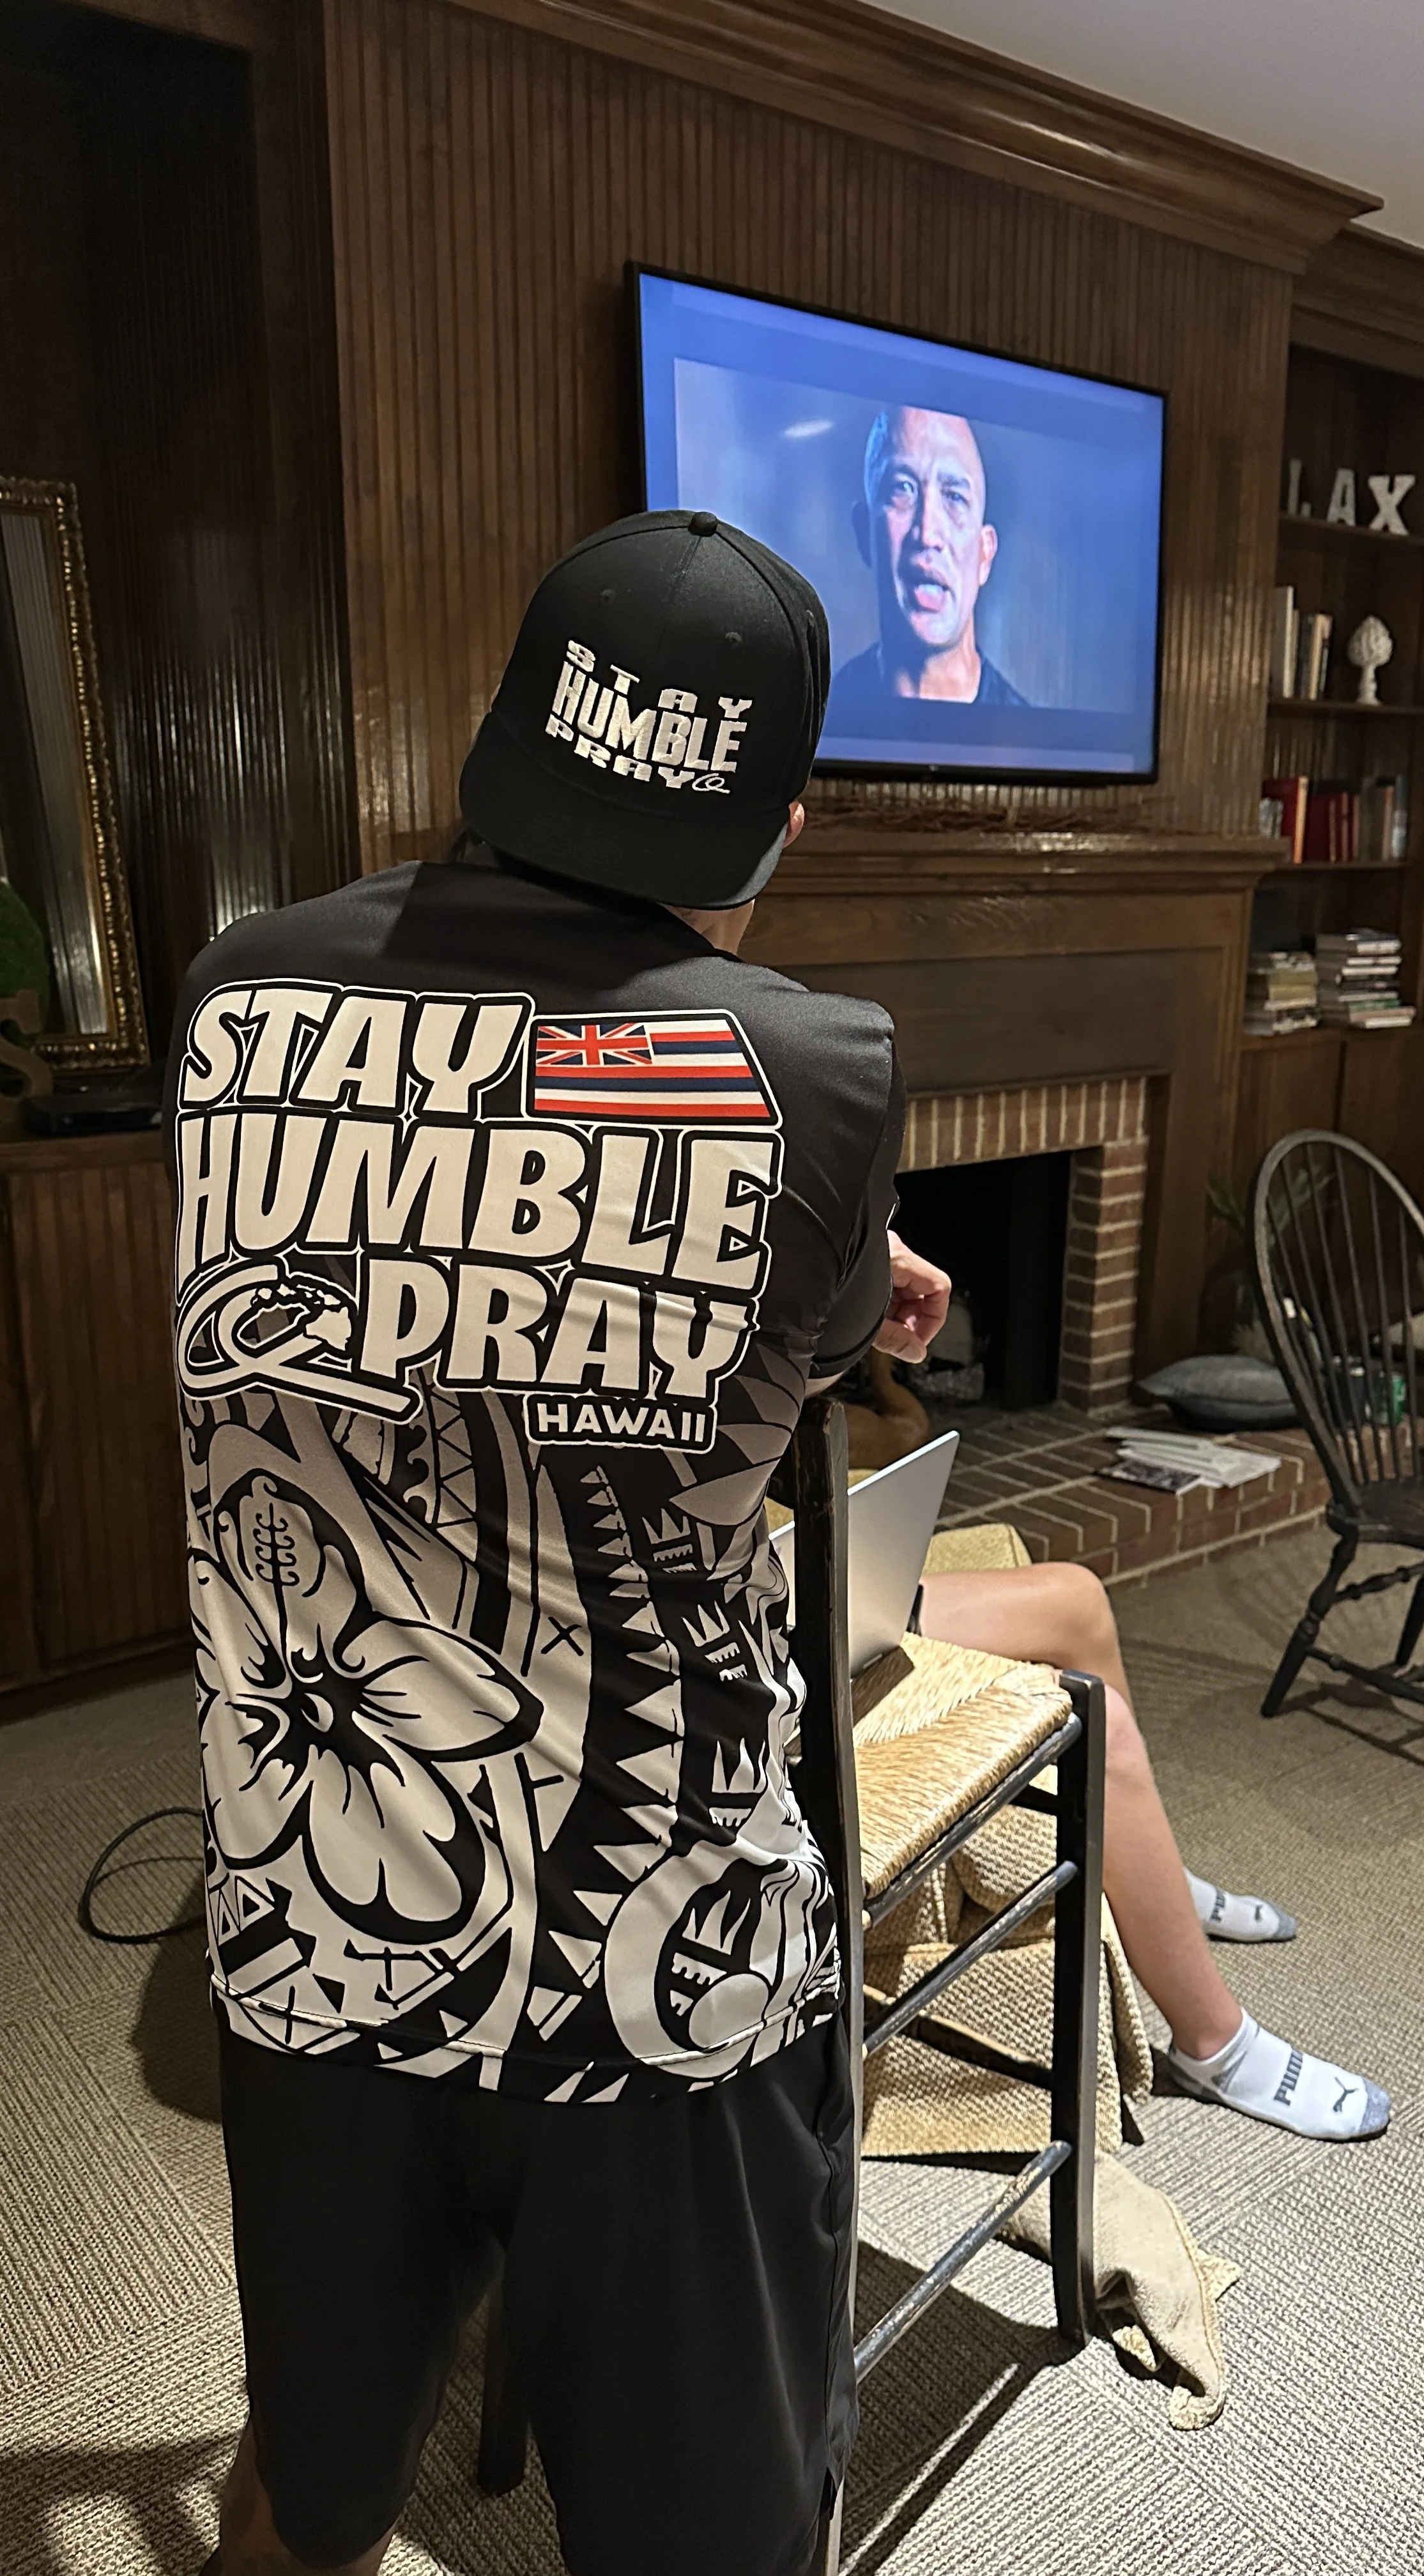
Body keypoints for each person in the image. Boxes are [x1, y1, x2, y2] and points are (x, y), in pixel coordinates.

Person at [166, 506, 951, 2576]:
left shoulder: (232, 994)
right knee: (706, 2531)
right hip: (654, 1962)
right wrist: (844, 1279)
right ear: (773, 813)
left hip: (314, 1912)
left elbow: (393, 1305)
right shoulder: (814, 1069)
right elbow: (729, 1406)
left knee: (309, 2489)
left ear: (510, 727)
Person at [919, 1556, 1390, 2142]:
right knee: (1102, 1722)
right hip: (777, 1656)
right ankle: (1214, 2046)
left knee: (1078, 1599)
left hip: (796, 1582)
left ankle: (1158, 1882)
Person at [829, 403, 1030, 723]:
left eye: (954, 497)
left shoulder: (1027, 742)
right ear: (865, 533)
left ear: (985, 554)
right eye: (902, 489)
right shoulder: (819, 722)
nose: (928, 534)